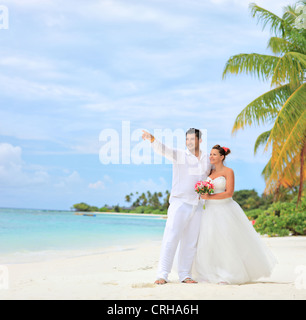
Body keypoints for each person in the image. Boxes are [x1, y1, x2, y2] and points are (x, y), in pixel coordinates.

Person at [194, 145, 277, 285]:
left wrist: (210, 198)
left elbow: (229, 193)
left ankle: (228, 274)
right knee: (208, 241)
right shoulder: (208, 173)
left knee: (226, 241)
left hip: (225, 209)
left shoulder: (228, 171)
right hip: (208, 211)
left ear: (222, 157)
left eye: (214, 154)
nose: (211, 157)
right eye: (210, 154)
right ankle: (209, 273)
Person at [142, 128, 211, 285]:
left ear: (200, 141)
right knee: (171, 238)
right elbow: (163, 150)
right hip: (180, 203)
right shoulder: (180, 155)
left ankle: (185, 275)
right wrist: (152, 139)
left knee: (191, 241)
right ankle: (162, 274)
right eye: (187, 139)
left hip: (198, 205)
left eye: (192, 139)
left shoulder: (207, 159)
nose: (189, 142)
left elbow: (212, 176)